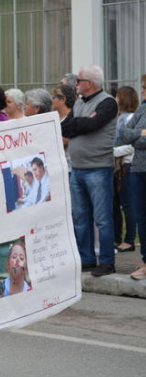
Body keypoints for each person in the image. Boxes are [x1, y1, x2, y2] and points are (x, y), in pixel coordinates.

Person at [61, 65, 118, 277]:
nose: (76, 83)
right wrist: (80, 123)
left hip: (98, 168)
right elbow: (66, 126)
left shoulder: (108, 102)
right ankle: (86, 258)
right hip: (77, 169)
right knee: (81, 217)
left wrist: (79, 124)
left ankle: (106, 261)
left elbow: (94, 124)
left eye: (79, 80)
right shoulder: (78, 103)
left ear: (90, 83)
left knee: (102, 218)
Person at [119, 77, 146, 280]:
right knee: (141, 218)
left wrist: (136, 136)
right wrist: (141, 133)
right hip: (137, 169)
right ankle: (145, 263)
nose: (142, 91)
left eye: (145, 88)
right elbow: (123, 134)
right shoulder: (142, 109)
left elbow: (133, 138)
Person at [113, 86, 138, 253]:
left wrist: (111, 152)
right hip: (117, 165)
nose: (115, 99)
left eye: (117, 96)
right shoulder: (119, 118)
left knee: (128, 205)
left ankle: (129, 240)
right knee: (115, 204)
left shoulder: (131, 118)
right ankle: (116, 238)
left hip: (126, 165)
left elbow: (131, 145)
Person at [52, 83, 77, 172]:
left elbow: (67, 141)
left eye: (54, 97)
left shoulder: (74, 118)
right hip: (57, 169)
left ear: (63, 99)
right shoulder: (54, 119)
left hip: (70, 168)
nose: (52, 100)